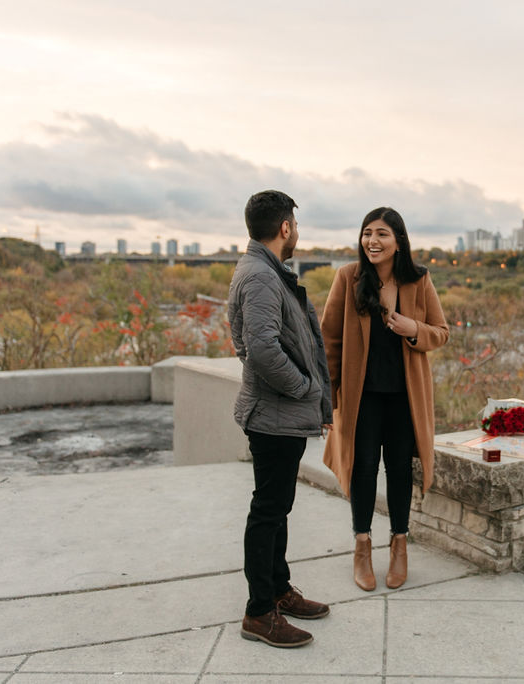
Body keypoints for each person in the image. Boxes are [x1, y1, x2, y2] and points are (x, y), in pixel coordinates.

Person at [321, 207, 449, 591]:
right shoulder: (348, 278)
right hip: (361, 396)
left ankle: (399, 545)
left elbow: (441, 332)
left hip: (404, 397)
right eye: (366, 234)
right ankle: (362, 547)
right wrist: (327, 399)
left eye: (382, 235)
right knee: (361, 470)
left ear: (399, 242)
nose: (372, 241)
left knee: (397, 470)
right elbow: (329, 341)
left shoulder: (419, 280)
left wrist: (414, 330)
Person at [227, 190, 333, 648]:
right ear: (286, 227)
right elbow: (262, 347)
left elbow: (244, 339)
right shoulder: (262, 276)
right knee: (268, 512)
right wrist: (306, 389)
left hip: (278, 414)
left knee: (278, 507)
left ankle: (278, 589)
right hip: (273, 417)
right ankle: (259, 612)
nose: (296, 232)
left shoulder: (263, 270)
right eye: (295, 224)